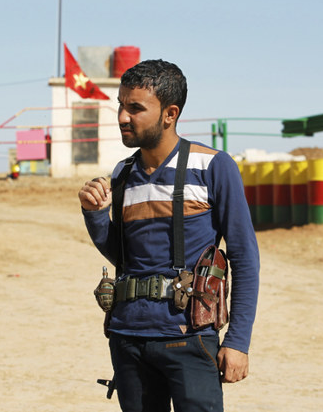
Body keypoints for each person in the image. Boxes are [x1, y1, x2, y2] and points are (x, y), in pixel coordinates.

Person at [78, 59, 259, 412]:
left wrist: (238, 341)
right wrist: (95, 215)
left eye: (135, 108)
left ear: (169, 113)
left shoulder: (213, 167)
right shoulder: (123, 173)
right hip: (128, 338)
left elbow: (244, 258)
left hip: (189, 339)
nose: (122, 116)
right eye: (120, 105)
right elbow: (124, 256)